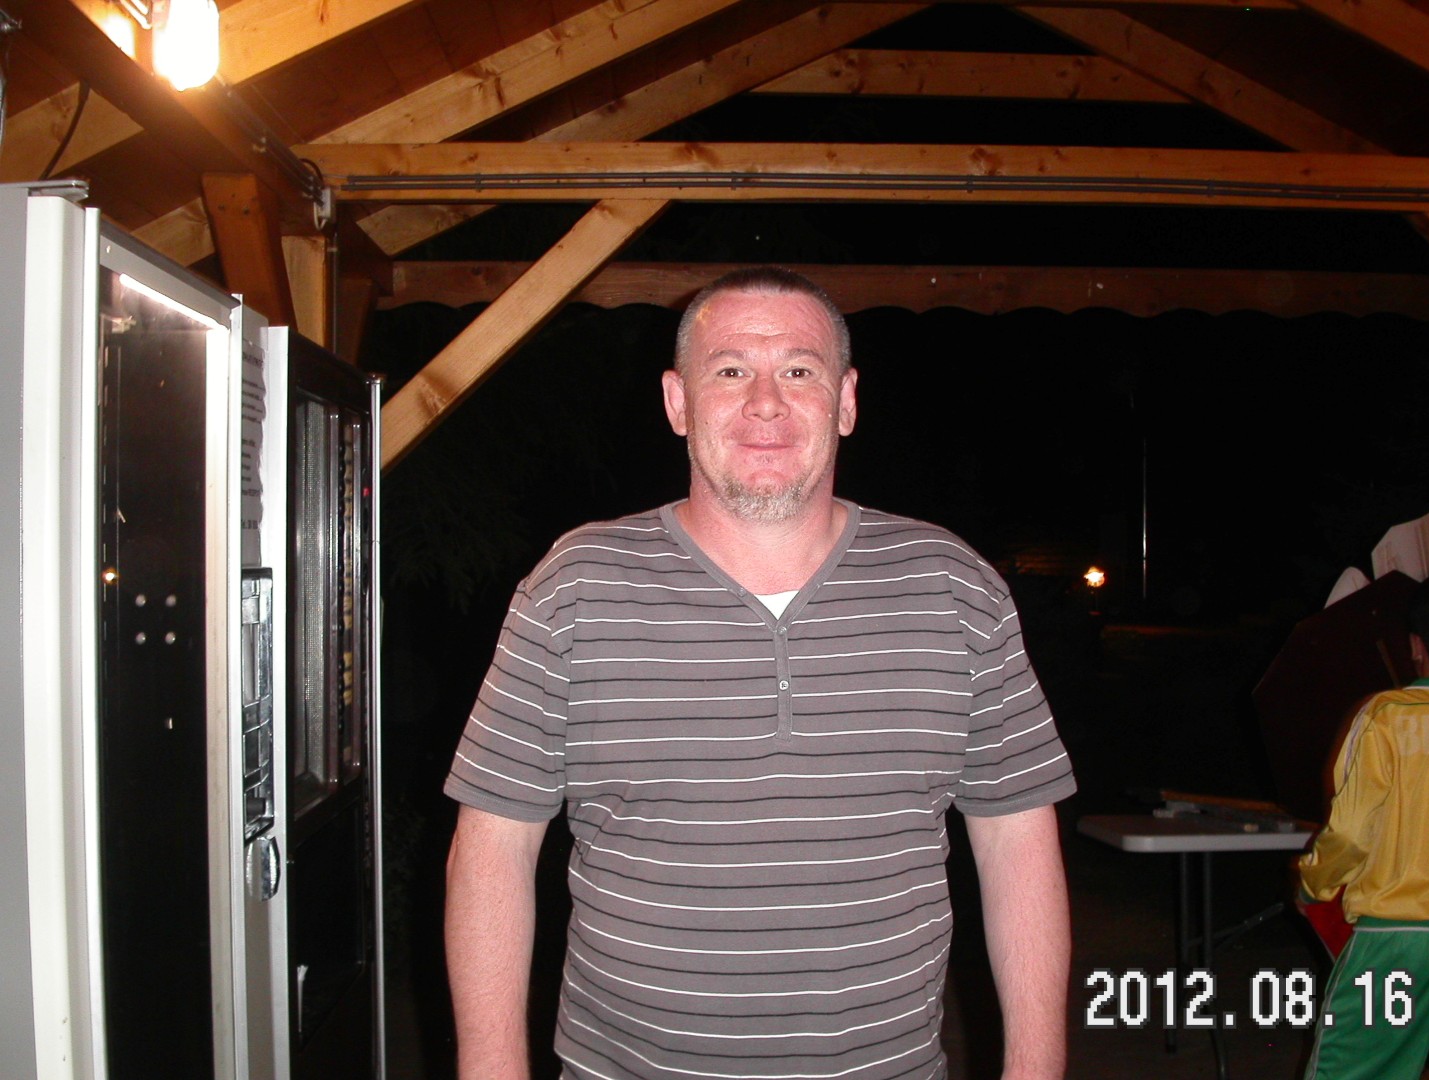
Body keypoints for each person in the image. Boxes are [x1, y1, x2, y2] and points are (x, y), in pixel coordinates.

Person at [444, 267, 1076, 1080]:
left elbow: (1018, 842)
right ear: (678, 401)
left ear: (846, 401)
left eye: (800, 371)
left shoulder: (954, 587)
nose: (766, 403)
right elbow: (492, 850)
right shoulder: (574, 587)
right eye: (732, 370)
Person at [1296, 571, 1429, 1080]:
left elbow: (1353, 832)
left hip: (1395, 944)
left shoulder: (1385, 717)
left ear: (1416, 646)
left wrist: (1313, 882)